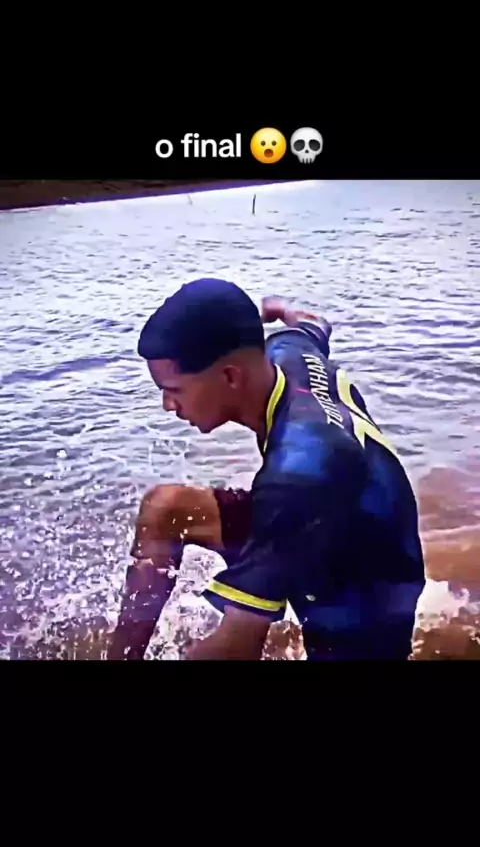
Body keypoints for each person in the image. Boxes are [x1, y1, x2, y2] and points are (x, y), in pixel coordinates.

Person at [108, 278, 426, 661]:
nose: (167, 405)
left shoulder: (297, 473)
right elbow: (312, 325)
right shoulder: (286, 352)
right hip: (318, 513)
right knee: (166, 511)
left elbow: (235, 648)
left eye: (174, 390)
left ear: (230, 376)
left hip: (365, 589)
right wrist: (282, 311)